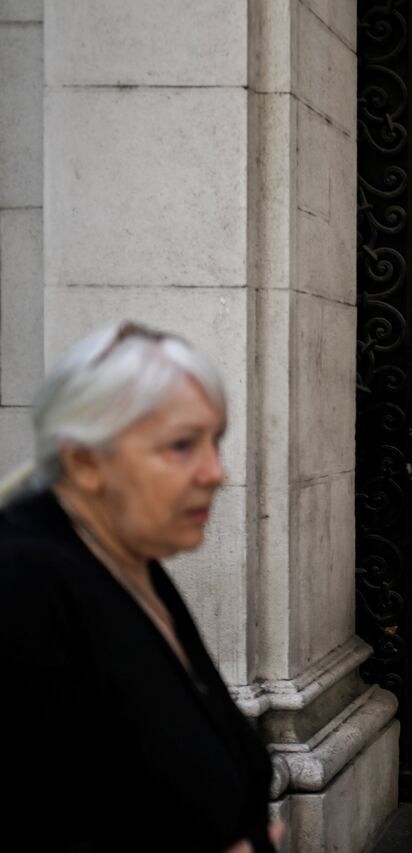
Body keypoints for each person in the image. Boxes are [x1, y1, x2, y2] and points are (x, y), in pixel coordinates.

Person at [0, 322, 279, 852]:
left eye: (214, 441)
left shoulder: (129, 558)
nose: (216, 472)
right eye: (181, 445)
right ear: (84, 462)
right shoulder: (24, 584)